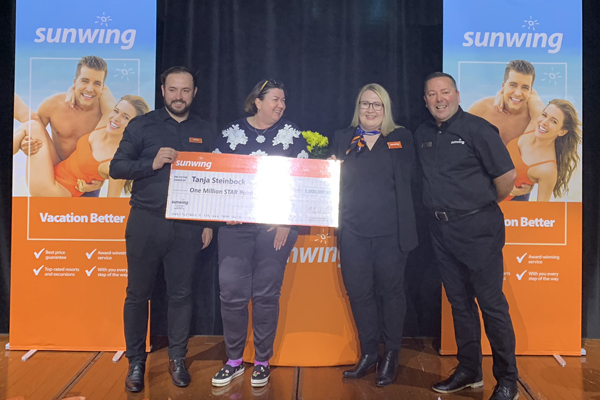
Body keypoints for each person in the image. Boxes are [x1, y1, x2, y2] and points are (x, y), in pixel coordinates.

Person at [110, 66, 215, 392]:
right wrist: (151, 163)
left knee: (181, 294)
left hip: (187, 225)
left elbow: (214, 179)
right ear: (163, 91)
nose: (178, 96)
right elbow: (116, 167)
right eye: (173, 89)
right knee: (137, 294)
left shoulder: (205, 130)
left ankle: (178, 358)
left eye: (185, 90)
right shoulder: (142, 125)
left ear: (194, 93)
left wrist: (208, 221)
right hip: (146, 220)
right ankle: (136, 363)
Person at [415, 72, 519, 400]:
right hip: (441, 231)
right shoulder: (422, 133)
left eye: (445, 92)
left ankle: (508, 381)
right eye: (432, 94)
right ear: (425, 101)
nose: (439, 99)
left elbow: (507, 177)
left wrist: (480, 206)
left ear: (457, 96)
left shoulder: (478, 129)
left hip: (479, 231)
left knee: (491, 305)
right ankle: (469, 370)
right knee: (459, 305)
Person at [211, 79, 309, 388]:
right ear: (258, 101)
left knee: (267, 295)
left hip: (275, 228)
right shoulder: (230, 134)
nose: (281, 105)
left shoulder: (292, 135)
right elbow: (214, 176)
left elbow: (303, 182)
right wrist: (223, 211)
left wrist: (287, 222)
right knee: (231, 294)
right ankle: (234, 361)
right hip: (234, 228)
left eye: (284, 100)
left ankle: (262, 361)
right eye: (275, 99)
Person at [329, 83, 418, 387]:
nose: (370, 109)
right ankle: (369, 353)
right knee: (359, 294)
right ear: (358, 107)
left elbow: (413, 180)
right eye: (365, 104)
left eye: (377, 104)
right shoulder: (343, 138)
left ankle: (391, 355)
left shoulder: (401, 137)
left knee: (392, 294)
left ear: (386, 109)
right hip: (353, 232)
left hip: (391, 234)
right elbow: (332, 182)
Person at [12, 95, 148, 197]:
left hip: (54, 191)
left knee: (32, 126)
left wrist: (98, 184)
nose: (116, 118)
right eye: (116, 111)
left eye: (125, 117)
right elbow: (99, 84)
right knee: (33, 121)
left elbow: (111, 206)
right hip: (55, 170)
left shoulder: (119, 161)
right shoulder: (105, 125)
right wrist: (73, 91)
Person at [18, 55, 117, 196]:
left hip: (86, 182)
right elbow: (36, 135)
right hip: (54, 172)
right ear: (75, 82)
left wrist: (101, 180)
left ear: (103, 87)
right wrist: (26, 145)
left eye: (97, 83)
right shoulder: (52, 104)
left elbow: (111, 152)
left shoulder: (106, 116)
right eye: (84, 81)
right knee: (33, 123)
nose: (90, 88)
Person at [469, 60, 544, 201]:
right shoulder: (480, 109)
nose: (518, 92)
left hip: (517, 191)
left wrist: (530, 182)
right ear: (503, 86)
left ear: (531, 91)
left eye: (525, 87)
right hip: (481, 188)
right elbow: (460, 148)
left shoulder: (533, 117)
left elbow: (544, 151)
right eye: (513, 85)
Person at [504, 99, 581, 201]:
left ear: (562, 132)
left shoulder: (548, 169)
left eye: (553, 121)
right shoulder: (533, 125)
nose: (544, 122)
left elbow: (541, 208)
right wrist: (502, 95)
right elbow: (529, 93)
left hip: (499, 203)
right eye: (544, 115)